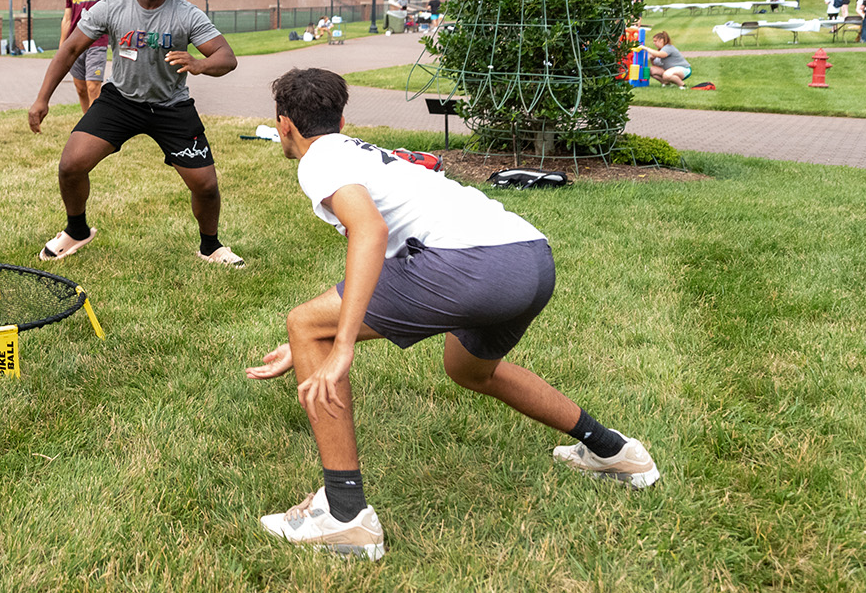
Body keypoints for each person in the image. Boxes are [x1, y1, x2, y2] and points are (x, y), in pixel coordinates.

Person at [247, 67, 659, 558]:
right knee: (468, 369)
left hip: (474, 266)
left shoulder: (317, 161)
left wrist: (333, 344)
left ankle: (344, 516)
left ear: (285, 123)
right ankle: (613, 450)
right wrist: (321, 337)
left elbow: (370, 232)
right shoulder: (362, 151)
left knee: (304, 324)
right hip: (530, 258)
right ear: (341, 116)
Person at [28, 0, 245, 267]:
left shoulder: (186, 14)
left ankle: (210, 247)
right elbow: (70, 48)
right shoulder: (112, 6)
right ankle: (76, 230)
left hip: (171, 105)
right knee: (71, 165)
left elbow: (227, 57)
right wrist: (42, 99)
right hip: (121, 101)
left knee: (206, 186)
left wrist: (199, 64)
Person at [60, 0, 119, 112]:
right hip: (75, 43)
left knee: (93, 86)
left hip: (96, 43)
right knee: (80, 88)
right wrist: (63, 45)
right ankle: (87, 123)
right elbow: (67, 18)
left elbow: (116, 12)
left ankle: (96, 128)